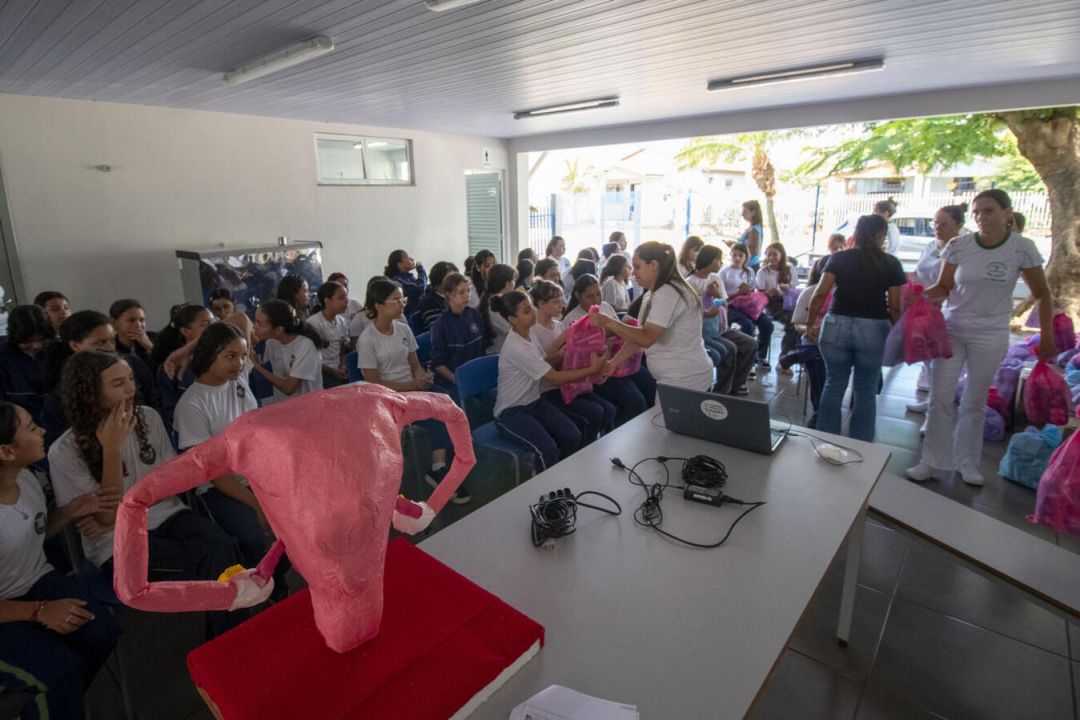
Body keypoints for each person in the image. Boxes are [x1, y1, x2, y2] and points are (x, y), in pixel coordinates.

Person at [49, 352, 247, 637]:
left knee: (222, 545)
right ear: (91, 394)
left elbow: (170, 483)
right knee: (203, 563)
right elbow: (105, 518)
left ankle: (228, 642)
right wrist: (111, 449)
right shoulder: (65, 450)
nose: (130, 388)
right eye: (118, 384)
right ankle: (228, 645)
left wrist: (119, 512)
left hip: (165, 513)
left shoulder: (148, 419)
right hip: (113, 540)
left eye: (130, 379)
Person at [907, 190, 1055, 485]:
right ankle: (931, 460)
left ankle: (967, 463)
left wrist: (1047, 337)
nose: (981, 217)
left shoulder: (1021, 248)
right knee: (940, 396)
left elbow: (1042, 295)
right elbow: (944, 286)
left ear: (1006, 213)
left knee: (974, 401)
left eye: (988, 211)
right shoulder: (960, 245)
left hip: (991, 333)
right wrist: (917, 299)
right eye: (977, 212)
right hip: (953, 328)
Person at [0, 402, 119, 720]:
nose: (40, 429)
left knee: (101, 628)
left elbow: (29, 535)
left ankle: (56, 705)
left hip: (34, 580)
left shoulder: (26, 479)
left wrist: (67, 513)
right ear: (7, 452)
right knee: (58, 672)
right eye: (29, 427)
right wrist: (38, 611)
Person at [174, 323, 288, 596]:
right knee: (254, 536)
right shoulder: (192, 405)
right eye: (229, 355)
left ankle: (275, 580)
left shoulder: (237, 379)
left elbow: (243, 322)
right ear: (208, 355)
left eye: (243, 355)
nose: (239, 362)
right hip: (220, 489)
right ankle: (256, 590)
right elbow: (215, 474)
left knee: (294, 521)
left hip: (256, 476)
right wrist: (258, 505)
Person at [358, 279, 467, 503]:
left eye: (403, 300)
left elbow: (414, 363)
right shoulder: (368, 340)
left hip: (412, 388)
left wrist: (421, 376)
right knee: (438, 416)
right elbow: (374, 384)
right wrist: (413, 386)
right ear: (378, 305)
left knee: (451, 404)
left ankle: (441, 464)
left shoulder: (403, 329)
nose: (402, 305)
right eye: (396, 301)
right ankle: (437, 468)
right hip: (387, 398)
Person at [807, 215, 905, 442]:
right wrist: (899, 333)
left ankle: (825, 441)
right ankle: (861, 444)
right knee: (866, 389)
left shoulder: (839, 259)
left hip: (836, 325)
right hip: (873, 328)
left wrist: (811, 323)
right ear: (881, 235)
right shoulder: (891, 263)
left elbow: (820, 293)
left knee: (833, 383)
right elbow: (896, 305)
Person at [492, 290, 605, 472]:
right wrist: (592, 369)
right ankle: (545, 491)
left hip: (534, 402)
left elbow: (544, 361)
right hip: (511, 412)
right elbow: (552, 376)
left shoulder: (529, 334)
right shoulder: (517, 347)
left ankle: (559, 474)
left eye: (532, 308)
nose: (534, 313)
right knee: (547, 449)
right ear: (512, 319)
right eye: (527, 311)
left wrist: (568, 350)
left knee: (572, 435)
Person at [589, 242, 714, 394]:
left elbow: (646, 338)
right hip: (676, 377)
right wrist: (613, 362)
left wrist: (607, 322)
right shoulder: (654, 293)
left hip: (685, 378)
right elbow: (640, 334)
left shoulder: (668, 292)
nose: (633, 273)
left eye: (637, 267)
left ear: (653, 265)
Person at [43, 311, 161, 446]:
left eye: (112, 341)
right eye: (100, 343)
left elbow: (154, 399)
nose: (109, 348)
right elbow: (58, 441)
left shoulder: (131, 362)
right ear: (75, 345)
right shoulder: (63, 390)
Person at [530, 280, 615, 443]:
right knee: (595, 412)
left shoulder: (559, 325)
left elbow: (572, 356)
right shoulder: (534, 331)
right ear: (541, 304)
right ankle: (584, 451)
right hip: (549, 389)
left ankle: (599, 446)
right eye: (556, 302)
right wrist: (565, 340)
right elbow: (543, 365)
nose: (562, 304)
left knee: (609, 409)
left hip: (570, 383)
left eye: (562, 300)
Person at [907, 203, 967, 416]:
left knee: (942, 363)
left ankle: (937, 408)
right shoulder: (931, 246)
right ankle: (930, 400)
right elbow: (918, 272)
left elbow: (954, 284)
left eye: (944, 223)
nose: (938, 228)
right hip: (923, 308)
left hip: (947, 310)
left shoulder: (962, 249)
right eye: (935, 223)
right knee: (927, 357)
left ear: (959, 225)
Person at [685, 246, 756, 396]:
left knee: (750, 344)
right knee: (730, 349)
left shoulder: (715, 278)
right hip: (702, 330)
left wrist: (716, 294)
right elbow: (689, 314)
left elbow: (724, 305)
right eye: (718, 259)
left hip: (719, 326)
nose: (721, 262)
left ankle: (735, 385)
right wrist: (708, 312)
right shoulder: (691, 282)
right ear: (710, 260)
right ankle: (721, 391)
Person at [778, 261, 830, 427]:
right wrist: (808, 330)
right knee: (817, 361)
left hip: (837, 341)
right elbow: (797, 324)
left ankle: (797, 355)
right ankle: (819, 412)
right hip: (813, 340)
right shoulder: (809, 293)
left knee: (817, 354)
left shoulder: (846, 294)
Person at [151, 304, 214, 433]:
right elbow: (171, 411)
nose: (213, 329)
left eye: (214, 323)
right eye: (206, 324)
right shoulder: (171, 368)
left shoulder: (222, 357)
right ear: (185, 331)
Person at [251, 299, 325, 404]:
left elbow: (289, 388)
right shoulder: (271, 341)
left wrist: (257, 367)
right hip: (280, 404)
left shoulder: (306, 345)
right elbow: (271, 375)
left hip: (306, 406)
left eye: (260, 323)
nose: (254, 327)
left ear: (279, 330)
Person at [721, 243, 774, 369]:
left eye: (740, 255)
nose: (737, 258)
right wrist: (737, 293)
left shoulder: (749, 271)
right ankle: (748, 359)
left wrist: (750, 290)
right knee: (747, 325)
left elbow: (754, 290)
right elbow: (721, 297)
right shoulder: (724, 272)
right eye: (734, 255)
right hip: (731, 306)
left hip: (748, 305)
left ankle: (759, 355)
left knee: (767, 325)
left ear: (746, 257)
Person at [429, 273, 486, 392]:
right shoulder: (440, 325)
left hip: (476, 376)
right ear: (449, 295)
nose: (467, 296)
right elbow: (438, 364)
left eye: (468, 291)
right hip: (453, 380)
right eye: (461, 292)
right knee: (474, 405)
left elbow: (482, 349)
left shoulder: (474, 315)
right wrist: (458, 381)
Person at [0, 305, 53, 425]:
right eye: (28, 342)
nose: (36, 346)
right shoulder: (3, 357)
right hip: (19, 425)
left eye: (42, 340)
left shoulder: (57, 351)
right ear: (14, 337)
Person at [756, 242, 798, 365]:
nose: (771, 258)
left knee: (801, 320)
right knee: (792, 323)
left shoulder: (789, 268)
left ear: (781, 255)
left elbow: (794, 287)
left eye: (774, 254)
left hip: (789, 301)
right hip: (771, 304)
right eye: (769, 255)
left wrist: (784, 290)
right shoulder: (763, 271)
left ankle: (794, 354)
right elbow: (760, 292)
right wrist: (770, 292)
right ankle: (785, 360)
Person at [306, 281, 350, 388]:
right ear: (327, 301)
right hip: (322, 372)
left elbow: (342, 348)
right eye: (341, 298)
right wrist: (333, 371)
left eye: (346, 297)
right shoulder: (313, 323)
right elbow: (311, 358)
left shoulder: (341, 321)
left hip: (339, 369)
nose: (347, 301)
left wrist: (342, 365)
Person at [480, 263, 517, 354]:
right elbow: (515, 329)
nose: (514, 284)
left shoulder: (492, 299)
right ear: (507, 284)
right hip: (499, 352)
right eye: (513, 280)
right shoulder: (496, 304)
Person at [109, 299, 155, 368]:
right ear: (114, 323)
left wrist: (149, 346)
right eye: (131, 320)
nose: (138, 325)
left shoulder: (156, 338)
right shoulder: (110, 345)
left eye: (142, 320)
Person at [415, 261, 459, 331]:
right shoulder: (429, 302)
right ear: (438, 280)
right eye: (451, 280)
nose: (456, 283)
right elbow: (439, 330)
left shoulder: (456, 297)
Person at [733, 201, 764, 271]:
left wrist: (735, 246)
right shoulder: (751, 228)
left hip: (750, 266)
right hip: (746, 265)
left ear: (753, 213)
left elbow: (755, 251)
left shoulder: (754, 230)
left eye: (745, 212)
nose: (742, 214)